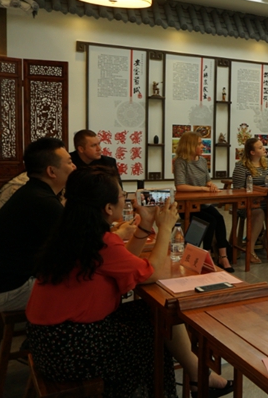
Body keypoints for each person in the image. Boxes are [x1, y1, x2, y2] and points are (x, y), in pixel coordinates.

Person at [25, 167, 231, 398]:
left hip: (48, 339)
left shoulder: (75, 233)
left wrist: (145, 226)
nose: (127, 200)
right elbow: (154, 273)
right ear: (108, 208)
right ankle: (182, 383)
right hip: (70, 349)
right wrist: (165, 228)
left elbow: (123, 262)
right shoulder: (101, 241)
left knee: (156, 312)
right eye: (122, 195)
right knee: (153, 336)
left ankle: (198, 376)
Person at [0, 138, 76, 312]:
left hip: (9, 281)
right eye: (70, 162)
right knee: (86, 285)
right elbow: (78, 246)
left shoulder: (32, 192)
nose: (74, 167)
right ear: (51, 171)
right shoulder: (42, 201)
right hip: (11, 289)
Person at [173, 131, 235, 272]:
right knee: (210, 220)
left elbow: (207, 180)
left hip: (203, 203)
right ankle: (207, 255)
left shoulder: (202, 160)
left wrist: (211, 185)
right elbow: (180, 186)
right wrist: (202, 188)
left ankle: (223, 256)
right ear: (190, 145)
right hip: (187, 205)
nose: (203, 146)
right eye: (199, 144)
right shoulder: (180, 162)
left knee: (219, 218)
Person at [231, 138, 268, 258]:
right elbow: (238, 189)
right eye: (260, 148)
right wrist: (256, 194)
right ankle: (250, 250)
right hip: (249, 203)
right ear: (252, 152)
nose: (264, 149)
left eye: (262, 146)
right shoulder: (241, 166)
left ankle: (265, 237)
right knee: (259, 214)